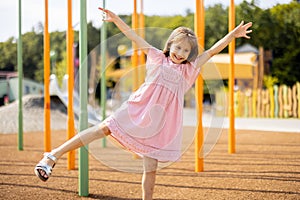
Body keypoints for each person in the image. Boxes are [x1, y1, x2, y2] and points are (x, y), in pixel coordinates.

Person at [34, 7, 252, 200]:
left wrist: (233, 35)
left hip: (160, 124)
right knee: (103, 128)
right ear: (170, 45)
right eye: (178, 48)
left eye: (186, 51)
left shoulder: (189, 70)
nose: (180, 53)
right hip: (137, 108)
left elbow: (213, 50)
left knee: (151, 168)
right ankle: (52, 156)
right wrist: (117, 19)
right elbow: (133, 36)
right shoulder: (157, 57)